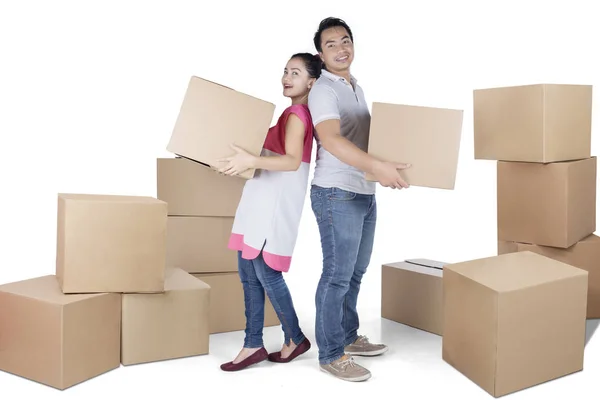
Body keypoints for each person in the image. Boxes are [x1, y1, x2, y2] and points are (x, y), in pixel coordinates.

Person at [307, 17, 411, 382]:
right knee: (337, 276)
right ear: (321, 55)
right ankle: (331, 353)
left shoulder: (356, 87)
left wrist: (389, 164)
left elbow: (365, 140)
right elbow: (332, 140)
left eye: (345, 40)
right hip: (336, 192)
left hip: (363, 191)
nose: (340, 48)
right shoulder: (323, 90)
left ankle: (348, 336)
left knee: (355, 272)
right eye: (331, 44)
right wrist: (377, 166)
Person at [216, 52, 322, 372]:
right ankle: (252, 344)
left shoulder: (298, 115)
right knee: (248, 272)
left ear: (311, 82)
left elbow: (291, 161)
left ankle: (294, 337)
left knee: (265, 274)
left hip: (273, 205)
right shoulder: (289, 113)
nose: (287, 78)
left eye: (296, 73)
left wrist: (251, 161)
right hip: (260, 200)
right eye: (286, 71)